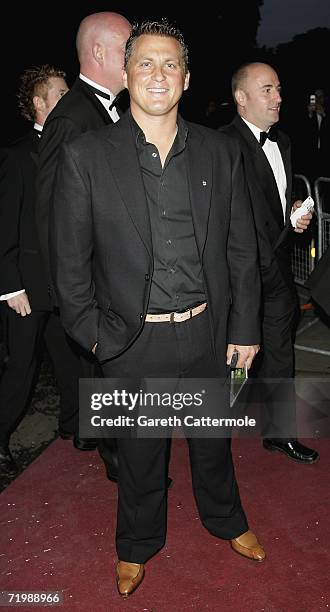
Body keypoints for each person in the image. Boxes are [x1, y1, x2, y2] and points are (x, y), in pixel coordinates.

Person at [50, 20, 265, 598]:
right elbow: (69, 266)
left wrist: (244, 328)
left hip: (206, 331)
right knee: (141, 456)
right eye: (144, 62)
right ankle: (136, 545)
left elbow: (242, 249)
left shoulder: (221, 153)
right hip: (130, 340)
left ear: (187, 78)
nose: (158, 74)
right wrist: (95, 337)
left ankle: (227, 519)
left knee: (212, 442)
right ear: (123, 74)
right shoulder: (86, 155)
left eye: (170, 64)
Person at [36, 12, 131, 469]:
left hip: (109, 273)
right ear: (98, 53)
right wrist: (72, 293)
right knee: (107, 368)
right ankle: (119, 459)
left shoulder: (111, 109)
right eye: (126, 49)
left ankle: (99, 439)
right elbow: (51, 211)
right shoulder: (71, 117)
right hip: (93, 280)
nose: (135, 59)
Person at [220, 62, 319, 463]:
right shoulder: (220, 144)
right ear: (241, 98)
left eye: (278, 89)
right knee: (235, 359)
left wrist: (293, 214)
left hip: (277, 270)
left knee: (281, 354)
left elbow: (268, 205)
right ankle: (220, 428)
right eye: (267, 90)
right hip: (239, 276)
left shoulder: (285, 142)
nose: (278, 98)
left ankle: (280, 432)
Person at [0, 65, 70, 477]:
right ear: (39, 103)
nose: (68, 99)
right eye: (60, 94)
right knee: (21, 370)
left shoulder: (74, 146)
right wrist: (10, 287)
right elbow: (6, 225)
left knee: (74, 363)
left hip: (67, 286)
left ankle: (78, 427)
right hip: (26, 288)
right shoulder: (15, 155)